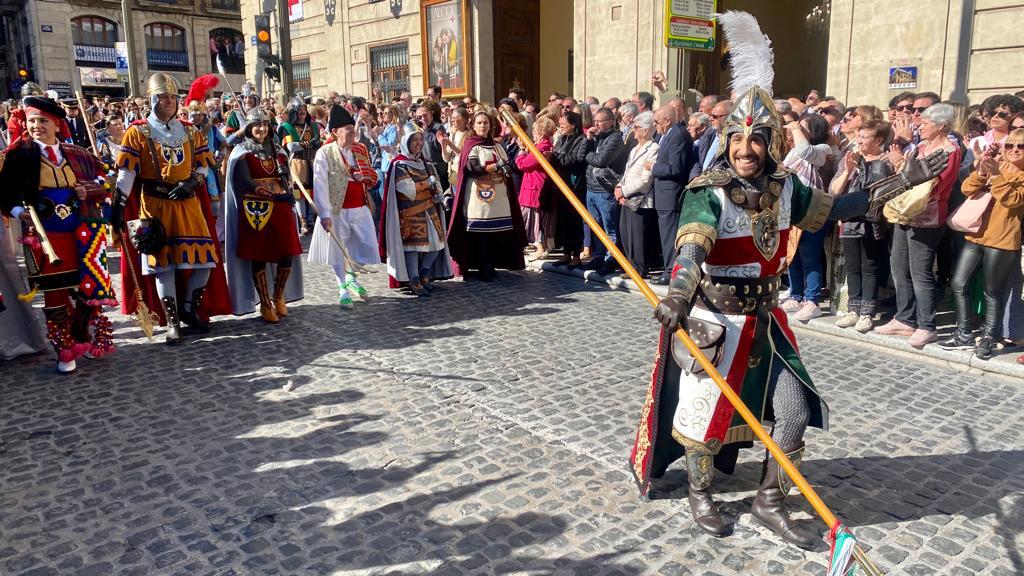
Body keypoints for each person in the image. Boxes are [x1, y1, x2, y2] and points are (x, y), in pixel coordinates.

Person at [631, 10, 951, 549]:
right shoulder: (706, 191)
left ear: (772, 143)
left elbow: (835, 208)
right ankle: (700, 493)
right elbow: (691, 247)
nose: (746, 151)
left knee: (795, 410)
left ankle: (768, 500)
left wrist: (899, 181)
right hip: (714, 319)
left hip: (768, 321)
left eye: (757, 141)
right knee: (704, 416)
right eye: (738, 141)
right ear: (727, 140)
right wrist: (679, 294)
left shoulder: (786, 189)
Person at [113, 73, 231, 345]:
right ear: (152, 100)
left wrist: (193, 181)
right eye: (162, 97)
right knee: (163, 266)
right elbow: (126, 174)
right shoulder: (137, 132)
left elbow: (204, 163)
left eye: (172, 97)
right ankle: (172, 322)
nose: (168, 102)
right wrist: (118, 207)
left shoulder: (190, 131)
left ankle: (189, 308)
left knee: (204, 261)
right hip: (154, 206)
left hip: (188, 205)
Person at [0, 95, 115, 372]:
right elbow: (5, 193)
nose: (36, 126)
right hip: (44, 236)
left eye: (42, 121)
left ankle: (84, 337)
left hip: (82, 232)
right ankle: (64, 348)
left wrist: (90, 188)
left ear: (56, 124)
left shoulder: (77, 153)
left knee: (87, 288)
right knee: (54, 292)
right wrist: (18, 212)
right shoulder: (18, 155)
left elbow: (104, 179)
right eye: (31, 121)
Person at [875, 103, 962, 348]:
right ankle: (905, 318)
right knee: (898, 266)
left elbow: (932, 183)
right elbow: (907, 177)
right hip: (905, 212)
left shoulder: (949, 150)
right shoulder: (923, 146)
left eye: (924, 124)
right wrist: (901, 164)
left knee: (920, 271)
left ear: (942, 126)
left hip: (928, 216)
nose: (919, 127)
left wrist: (903, 165)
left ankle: (927, 325)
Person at [941, 128, 1024, 359]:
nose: (1015, 150)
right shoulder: (998, 165)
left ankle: (989, 337)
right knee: (958, 283)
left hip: (1002, 240)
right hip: (975, 234)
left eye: (1021, 146)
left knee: (991, 291)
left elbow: (1013, 200)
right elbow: (967, 188)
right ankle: (964, 332)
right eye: (1010, 146)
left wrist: (996, 175)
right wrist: (982, 170)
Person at [223, 107, 304, 323]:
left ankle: (279, 296)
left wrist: (285, 180)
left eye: (265, 124)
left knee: (287, 252)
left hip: (282, 210)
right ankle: (265, 302)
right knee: (259, 255)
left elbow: (287, 182)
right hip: (256, 212)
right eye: (257, 125)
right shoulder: (242, 154)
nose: (262, 128)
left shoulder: (278, 152)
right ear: (249, 128)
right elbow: (245, 183)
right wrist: (272, 196)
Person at [309, 104, 380, 309]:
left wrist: (363, 176)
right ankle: (342, 286)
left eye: (352, 126)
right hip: (336, 209)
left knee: (366, 246)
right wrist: (324, 213)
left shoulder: (361, 149)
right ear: (335, 132)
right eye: (347, 128)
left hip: (360, 206)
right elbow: (320, 184)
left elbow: (373, 177)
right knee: (337, 250)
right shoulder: (325, 153)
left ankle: (351, 276)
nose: (352, 130)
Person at [830, 120, 894, 332]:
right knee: (852, 267)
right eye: (859, 136)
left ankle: (867, 311)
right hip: (849, 222)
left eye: (865, 137)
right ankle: (853, 308)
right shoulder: (851, 160)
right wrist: (848, 170)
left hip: (871, 223)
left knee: (869, 267)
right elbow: (835, 191)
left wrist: (860, 167)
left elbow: (872, 193)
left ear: (879, 140)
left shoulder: (883, 163)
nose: (860, 141)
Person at [447, 111, 526, 281]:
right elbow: (472, 169)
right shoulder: (471, 144)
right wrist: (495, 166)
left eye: (486, 123)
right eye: (480, 123)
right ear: (473, 126)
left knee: (498, 233)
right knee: (481, 234)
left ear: (490, 125)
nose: (483, 126)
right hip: (479, 196)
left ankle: (492, 263)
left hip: (499, 197)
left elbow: (507, 165)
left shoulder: (497, 146)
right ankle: (483, 266)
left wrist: (504, 168)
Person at [379, 131, 453, 294]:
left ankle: (424, 272)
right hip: (410, 213)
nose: (418, 143)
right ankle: (414, 279)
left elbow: (437, 185)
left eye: (421, 140)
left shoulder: (425, 163)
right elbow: (408, 189)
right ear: (407, 142)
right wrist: (427, 183)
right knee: (413, 248)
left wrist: (435, 189)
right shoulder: (400, 165)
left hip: (429, 210)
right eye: (414, 140)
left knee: (437, 244)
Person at [779, 114, 835, 322]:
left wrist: (793, 125)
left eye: (802, 128)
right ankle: (796, 294)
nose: (796, 132)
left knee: (810, 255)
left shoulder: (824, 150)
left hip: (814, 208)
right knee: (792, 254)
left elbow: (806, 151)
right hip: (793, 209)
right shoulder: (794, 151)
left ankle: (812, 299)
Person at [649, 105, 693, 285]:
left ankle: (671, 271)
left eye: (657, 122)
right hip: (662, 194)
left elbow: (675, 168)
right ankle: (668, 268)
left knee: (670, 235)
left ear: (667, 120)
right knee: (664, 235)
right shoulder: (666, 134)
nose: (655, 125)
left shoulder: (678, 135)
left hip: (670, 193)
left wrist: (652, 167)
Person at [614, 111, 659, 279]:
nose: (634, 130)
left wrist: (624, 191)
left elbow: (646, 180)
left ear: (646, 130)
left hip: (640, 198)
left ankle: (639, 268)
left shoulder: (653, 148)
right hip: (626, 196)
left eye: (637, 127)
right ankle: (630, 265)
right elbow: (627, 171)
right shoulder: (634, 149)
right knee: (625, 232)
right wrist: (619, 187)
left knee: (637, 235)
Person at [583, 107, 626, 273]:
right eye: (595, 121)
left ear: (610, 121)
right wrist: (589, 140)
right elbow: (585, 157)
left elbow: (601, 160)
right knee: (596, 226)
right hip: (591, 187)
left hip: (605, 189)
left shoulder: (615, 138)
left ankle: (611, 258)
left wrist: (589, 153)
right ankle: (599, 256)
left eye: (599, 121)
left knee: (610, 227)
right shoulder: (596, 138)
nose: (596, 125)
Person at [279, 97, 322, 235]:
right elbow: (291, 146)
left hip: (313, 162)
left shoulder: (313, 125)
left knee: (313, 192)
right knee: (300, 194)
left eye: (304, 110)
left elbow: (318, 142)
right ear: (294, 112)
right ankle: (302, 221)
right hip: (297, 163)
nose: (302, 112)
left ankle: (311, 220)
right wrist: (308, 144)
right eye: (300, 110)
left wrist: (318, 143)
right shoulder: (287, 128)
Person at [550, 111, 588, 267]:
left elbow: (577, 159)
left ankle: (576, 256)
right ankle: (566, 253)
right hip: (560, 185)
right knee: (563, 221)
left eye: (563, 124)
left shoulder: (582, 140)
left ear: (572, 125)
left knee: (574, 222)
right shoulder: (561, 139)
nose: (561, 126)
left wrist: (556, 157)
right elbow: (556, 154)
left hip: (574, 186)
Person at [516, 116, 557, 259]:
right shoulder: (542, 146)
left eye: (535, 130)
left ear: (540, 131)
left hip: (535, 188)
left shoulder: (542, 147)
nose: (533, 133)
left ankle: (541, 248)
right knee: (535, 220)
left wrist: (521, 151)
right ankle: (541, 247)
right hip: (533, 187)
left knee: (536, 221)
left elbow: (524, 165)